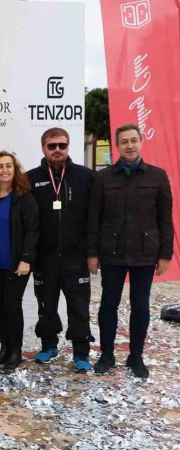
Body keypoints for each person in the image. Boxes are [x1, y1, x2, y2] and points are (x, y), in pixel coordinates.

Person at [88, 123, 174, 379]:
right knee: (108, 304)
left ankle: (136, 356)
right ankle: (107, 354)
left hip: (145, 252)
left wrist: (165, 254)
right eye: (124, 141)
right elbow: (94, 219)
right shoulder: (103, 178)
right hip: (111, 252)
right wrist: (92, 253)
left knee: (141, 306)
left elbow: (165, 219)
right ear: (117, 146)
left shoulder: (158, 176)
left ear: (141, 141)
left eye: (133, 140)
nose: (129, 145)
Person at [26, 128, 95, 372]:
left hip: (76, 257)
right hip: (45, 258)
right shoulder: (30, 178)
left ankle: (81, 352)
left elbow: (94, 217)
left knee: (79, 307)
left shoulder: (86, 176)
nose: (57, 150)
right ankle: (49, 345)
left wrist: (92, 253)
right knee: (46, 305)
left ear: (68, 147)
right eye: (52, 146)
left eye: (62, 145)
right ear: (43, 148)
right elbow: (26, 221)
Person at [0, 151, 39, 371]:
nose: (4, 170)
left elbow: (33, 230)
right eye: (0, 166)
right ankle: (4, 349)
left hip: (17, 264)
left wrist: (26, 259)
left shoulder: (24, 197)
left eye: (8, 166)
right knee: (0, 307)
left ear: (15, 170)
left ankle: (16, 351)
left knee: (13, 306)